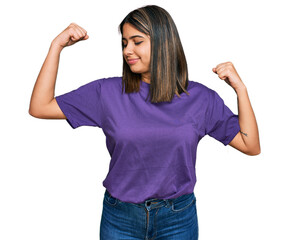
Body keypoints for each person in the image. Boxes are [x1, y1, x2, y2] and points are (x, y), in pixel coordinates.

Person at [29, 5, 261, 240]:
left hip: (177, 219)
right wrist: (56, 46)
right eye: (124, 43)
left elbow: (250, 145)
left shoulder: (201, 98)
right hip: (120, 218)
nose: (127, 50)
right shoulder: (107, 92)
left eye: (136, 41)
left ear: (163, 42)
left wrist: (241, 90)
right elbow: (40, 107)